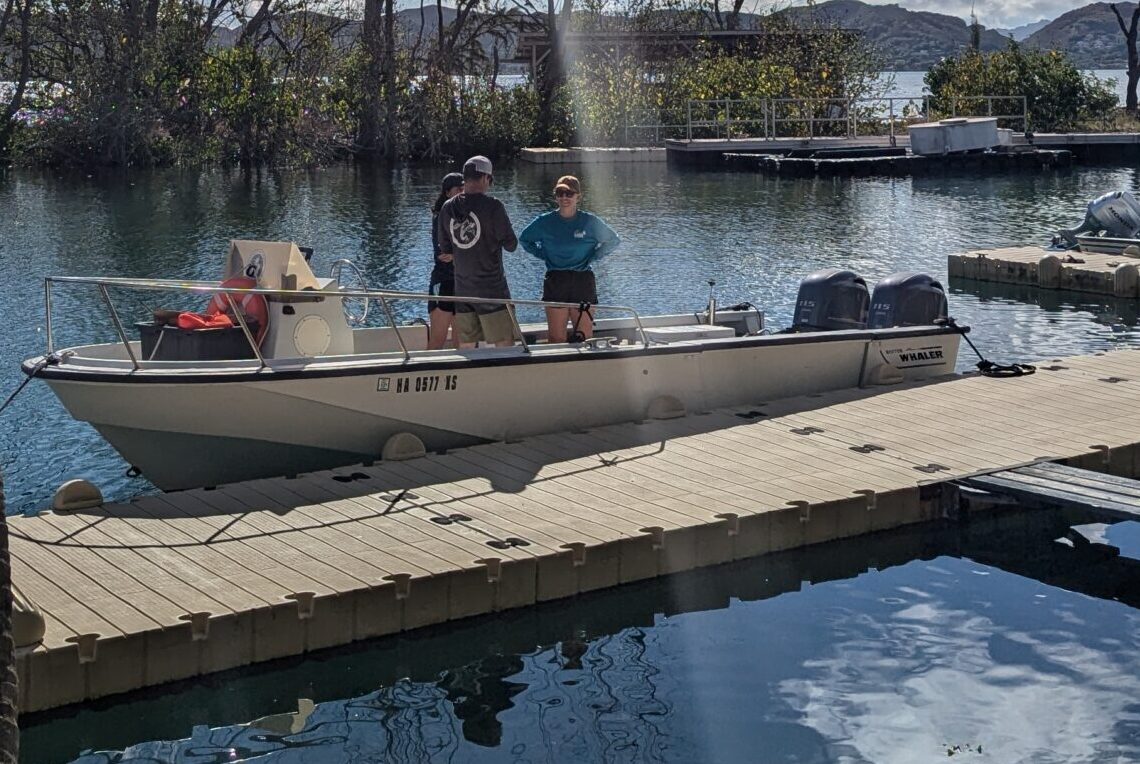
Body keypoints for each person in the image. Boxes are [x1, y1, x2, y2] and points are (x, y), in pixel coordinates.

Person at [519, 175, 620, 343]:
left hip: (582, 280)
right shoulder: (544, 222)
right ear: (556, 196)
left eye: (569, 193)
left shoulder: (589, 221)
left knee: (584, 337)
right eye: (560, 193)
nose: (564, 197)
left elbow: (613, 240)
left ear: (578, 196)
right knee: (556, 338)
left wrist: (592, 257)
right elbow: (525, 240)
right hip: (556, 280)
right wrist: (544, 255)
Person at [436, 155, 519, 348]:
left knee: (467, 346)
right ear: (484, 178)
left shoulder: (447, 208)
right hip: (493, 292)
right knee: (504, 345)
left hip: (463, 291)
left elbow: (446, 248)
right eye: (490, 180)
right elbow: (511, 245)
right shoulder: (493, 206)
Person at [427, 172, 464, 349]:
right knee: (437, 340)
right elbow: (443, 254)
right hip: (444, 281)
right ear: (448, 192)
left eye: (465, 188)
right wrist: (463, 255)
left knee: (463, 343)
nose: (463, 192)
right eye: (459, 189)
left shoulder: (468, 217)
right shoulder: (440, 218)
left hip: (464, 283)